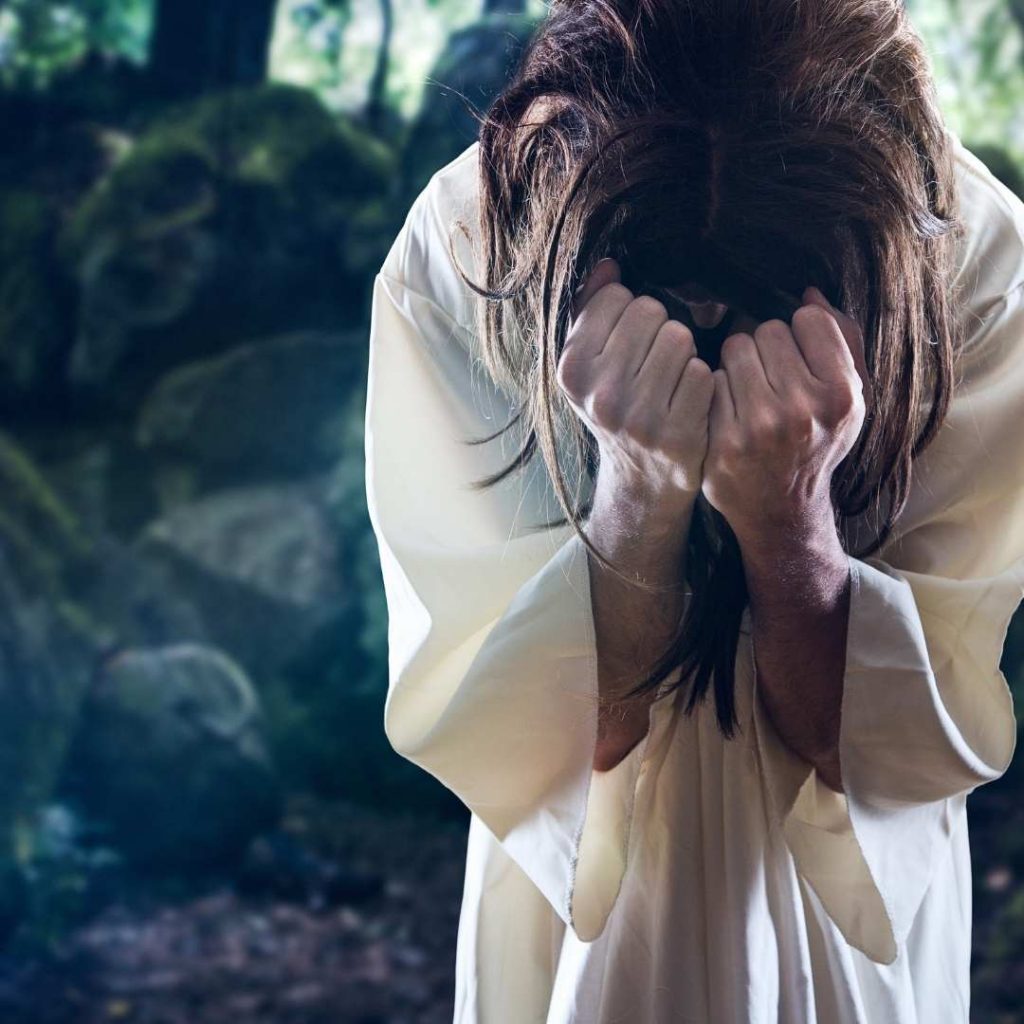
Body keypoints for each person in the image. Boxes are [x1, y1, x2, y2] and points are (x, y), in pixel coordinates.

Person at [364, 2, 1024, 1020]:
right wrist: (636, 491)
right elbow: (540, 756)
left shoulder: (973, 262)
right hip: (580, 910)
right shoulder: (471, 250)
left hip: (841, 925)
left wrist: (789, 519)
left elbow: (880, 760)